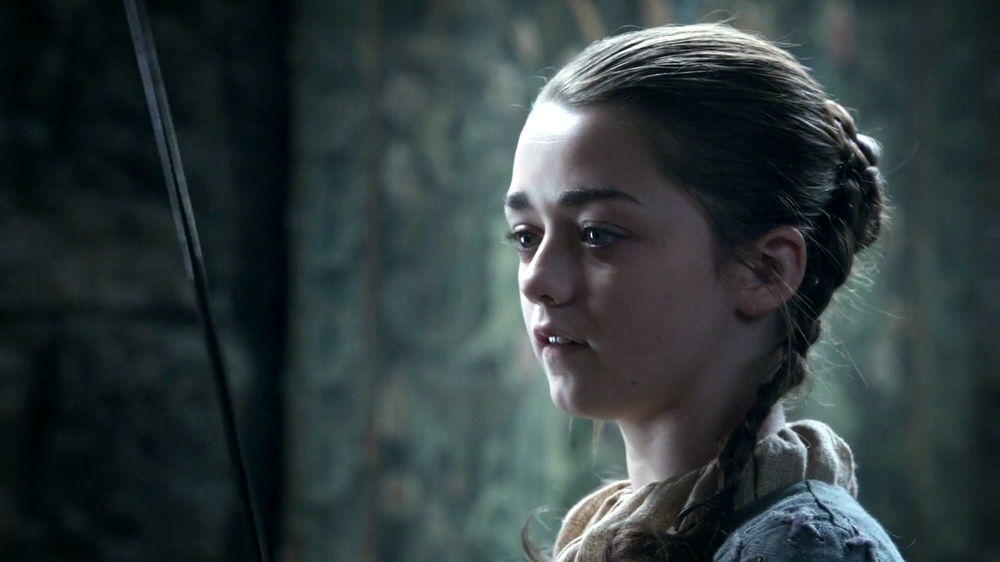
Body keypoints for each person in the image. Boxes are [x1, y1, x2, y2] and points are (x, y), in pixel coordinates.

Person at [503, 24, 905, 562]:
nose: (536, 280)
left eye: (598, 234)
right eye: (526, 236)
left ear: (764, 270)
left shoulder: (808, 550)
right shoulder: (617, 538)